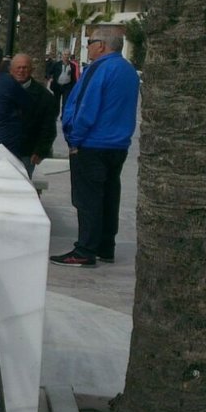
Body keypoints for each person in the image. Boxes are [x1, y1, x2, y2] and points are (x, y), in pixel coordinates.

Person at [51, 28, 140, 268]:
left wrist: (74, 140)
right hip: (118, 145)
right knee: (109, 196)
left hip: (92, 144)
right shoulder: (128, 70)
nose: (88, 46)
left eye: (90, 42)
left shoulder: (98, 69)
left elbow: (85, 107)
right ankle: (105, 246)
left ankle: (85, 250)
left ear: (102, 45)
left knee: (87, 199)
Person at [10, 53, 59, 178]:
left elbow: (48, 127)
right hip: (3, 149)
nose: (21, 71)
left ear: (31, 70)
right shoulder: (0, 90)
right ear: (11, 70)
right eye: (18, 67)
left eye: (25, 68)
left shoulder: (45, 96)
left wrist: (41, 151)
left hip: (27, 152)